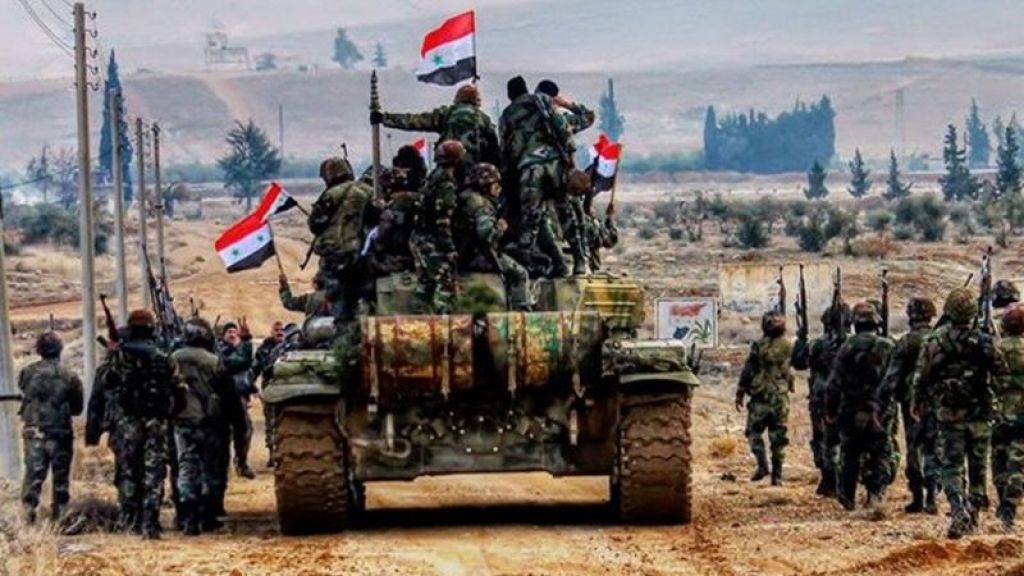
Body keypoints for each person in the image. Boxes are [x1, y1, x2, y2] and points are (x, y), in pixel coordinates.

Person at [912, 287, 1007, 538]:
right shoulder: (984, 341)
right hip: (980, 414)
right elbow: (1001, 372)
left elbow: (921, 377)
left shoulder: (935, 341)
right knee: (978, 466)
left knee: (951, 466)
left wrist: (916, 402)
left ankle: (957, 510)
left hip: (949, 414)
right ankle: (973, 513)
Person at [92, 309, 184, 539]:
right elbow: (180, 391)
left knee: (128, 471)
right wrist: (169, 414)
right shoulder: (165, 358)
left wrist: (113, 355)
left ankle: (129, 522)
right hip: (156, 423)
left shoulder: (121, 357)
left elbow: (106, 382)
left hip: (128, 423)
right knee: (153, 473)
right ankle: (150, 525)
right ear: (152, 329)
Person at [500, 75, 578, 277]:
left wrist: (508, 177)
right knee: (565, 213)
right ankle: (579, 260)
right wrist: (570, 158)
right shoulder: (542, 101)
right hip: (555, 164)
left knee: (531, 219)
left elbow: (506, 149)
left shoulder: (508, 114)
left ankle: (529, 266)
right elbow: (563, 126)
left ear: (510, 95)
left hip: (530, 169)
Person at [825, 302, 896, 512]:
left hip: (851, 409)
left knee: (850, 453)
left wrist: (830, 410)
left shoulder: (846, 347)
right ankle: (875, 495)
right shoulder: (887, 346)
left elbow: (834, 383)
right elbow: (894, 378)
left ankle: (847, 496)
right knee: (880, 452)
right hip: (880, 411)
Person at [876, 296, 939, 514]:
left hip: (911, 403)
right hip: (938, 402)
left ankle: (918, 497)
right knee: (933, 449)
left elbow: (892, 377)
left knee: (914, 448)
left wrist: (882, 402)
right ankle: (932, 496)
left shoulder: (906, 342)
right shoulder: (939, 338)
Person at [171, 318, 230, 536]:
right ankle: (207, 516)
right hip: (209, 423)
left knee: (186, 467)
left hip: (182, 421)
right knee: (208, 469)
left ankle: (189, 518)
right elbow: (227, 393)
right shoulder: (213, 361)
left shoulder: (173, 358)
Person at [18, 331, 83, 525]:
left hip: (34, 432)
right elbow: (77, 408)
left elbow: (24, 389)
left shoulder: (27, 372)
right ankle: (60, 518)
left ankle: (27, 518)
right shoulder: (70, 376)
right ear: (60, 350)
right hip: (60, 433)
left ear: (39, 350)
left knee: (33, 477)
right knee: (60, 479)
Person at [790, 303, 850, 497]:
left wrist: (801, 340)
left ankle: (830, 478)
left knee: (823, 439)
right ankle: (841, 479)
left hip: (820, 398)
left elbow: (798, 363)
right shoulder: (852, 343)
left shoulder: (816, 344)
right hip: (847, 399)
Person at [454, 162, 531, 310]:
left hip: (465, 254)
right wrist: (500, 228)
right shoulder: (481, 204)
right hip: (480, 256)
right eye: (495, 185)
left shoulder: (465, 198)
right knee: (520, 274)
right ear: (485, 186)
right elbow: (485, 233)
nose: (498, 189)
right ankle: (520, 312)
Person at [307, 156, 373, 323]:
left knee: (339, 301)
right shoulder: (367, 191)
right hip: (363, 254)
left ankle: (343, 328)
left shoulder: (332, 195)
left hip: (336, 256)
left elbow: (315, 224)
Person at [372, 84, 500, 168]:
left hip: (447, 166)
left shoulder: (447, 114)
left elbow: (416, 121)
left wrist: (385, 118)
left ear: (457, 100)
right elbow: (494, 152)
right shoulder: (484, 120)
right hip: (473, 169)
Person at [736, 310, 794, 486]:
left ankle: (763, 466)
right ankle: (777, 476)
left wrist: (740, 392)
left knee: (754, 433)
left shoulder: (759, 346)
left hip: (760, 397)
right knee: (778, 439)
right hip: (780, 398)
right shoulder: (788, 345)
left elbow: (749, 370)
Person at [412, 140, 467, 314]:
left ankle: (418, 321)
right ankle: (445, 323)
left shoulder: (433, 178)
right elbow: (443, 220)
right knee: (445, 285)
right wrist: (449, 248)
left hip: (421, 239)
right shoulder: (446, 183)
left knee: (425, 284)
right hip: (433, 242)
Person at [366, 146, 427, 277]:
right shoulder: (424, 195)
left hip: (399, 260)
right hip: (422, 257)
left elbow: (383, 237)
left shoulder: (401, 201)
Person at [993, 305, 1024, 531]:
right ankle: (1009, 508)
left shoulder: (996, 348)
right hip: (1022, 413)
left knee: (999, 460)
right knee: (1017, 463)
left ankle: (1002, 500)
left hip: (999, 412)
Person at [218, 320, 255, 479]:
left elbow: (248, 371)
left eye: (235, 332)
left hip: (239, 398)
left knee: (245, 431)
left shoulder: (239, 350)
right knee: (225, 434)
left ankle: (241, 462)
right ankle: (225, 466)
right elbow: (239, 363)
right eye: (229, 332)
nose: (232, 334)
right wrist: (246, 343)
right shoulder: (221, 351)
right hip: (225, 400)